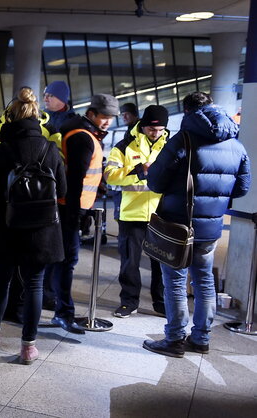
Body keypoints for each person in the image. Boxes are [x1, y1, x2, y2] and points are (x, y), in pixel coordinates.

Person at [143, 92, 250, 358]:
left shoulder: (184, 139)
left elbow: (155, 181)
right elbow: (242, 188)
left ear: (188, 112)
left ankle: (175, 339)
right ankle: (201, 338)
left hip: (178, 225)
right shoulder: (236, 144)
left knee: (176, 283)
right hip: (211, 228)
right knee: (204, 282)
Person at [0, 87, 66, 364]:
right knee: (34, 284)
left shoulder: (5, 147)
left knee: (2, 281)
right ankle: (28, 347)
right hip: (42, 228)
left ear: (10, 118)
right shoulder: (50, 147)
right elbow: (63, 188)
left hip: (8, 226)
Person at [45, 93, 119, 334]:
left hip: (69, 206)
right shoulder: (83, 137)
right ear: (92, 114)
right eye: (104, 116)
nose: (107, 121)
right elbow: (75, 180)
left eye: (111, 118)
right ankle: (63, 313)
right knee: (67, 261)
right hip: (68, 208)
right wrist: (76, 215)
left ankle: (55, 305)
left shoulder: (84, 133)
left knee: (60, 260)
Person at [105, 105, 169, 318]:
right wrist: (138, 170)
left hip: (161, 215)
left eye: (160, 130)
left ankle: (160, 302)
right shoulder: (124, 146)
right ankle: (129, 301)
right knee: (130, 262)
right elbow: (110, 176)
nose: (156, 133)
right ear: (143, 126)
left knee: (160, 263)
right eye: (152, 129)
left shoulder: (170, 146)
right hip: (131, 213)